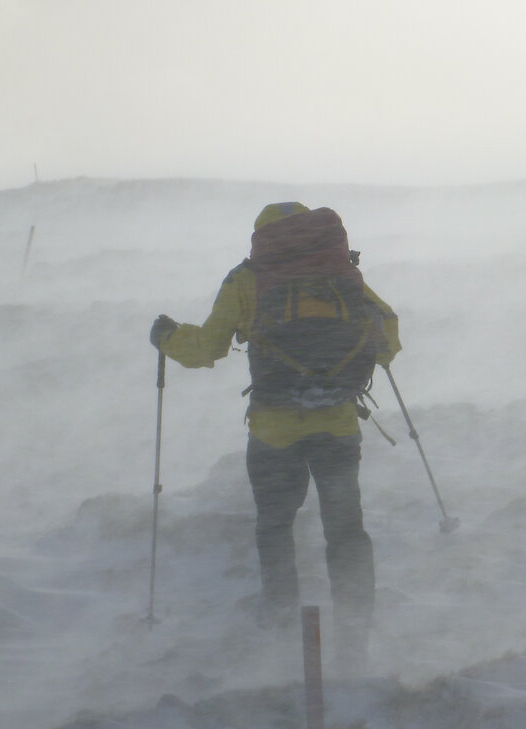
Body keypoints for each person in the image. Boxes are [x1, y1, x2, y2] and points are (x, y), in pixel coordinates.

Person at [149, 202, 400, 676]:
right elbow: (387, 338)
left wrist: (166, 338)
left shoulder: (248, 279)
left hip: (274, 431)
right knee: (345, 531)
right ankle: (354, 639)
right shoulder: (340, 273)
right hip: (339, 425)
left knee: (275, 527)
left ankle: (282, 632)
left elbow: (206, 350)